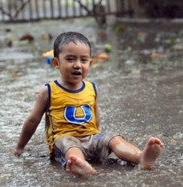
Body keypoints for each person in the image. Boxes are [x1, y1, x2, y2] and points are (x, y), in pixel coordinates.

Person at [13, 32, 164, 176]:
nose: (77, 65)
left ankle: (140, 157)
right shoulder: (49, 91)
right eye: (70, 59)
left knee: (113, 138)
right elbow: (33, 120)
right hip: (64, 139)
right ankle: (79, 164)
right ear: (56, 63)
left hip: (91, 137)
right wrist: (20, 146)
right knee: (69, 144)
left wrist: (99, 140)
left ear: (90, 63)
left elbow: (96, 115)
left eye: (83, 60)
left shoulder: (92, 88)